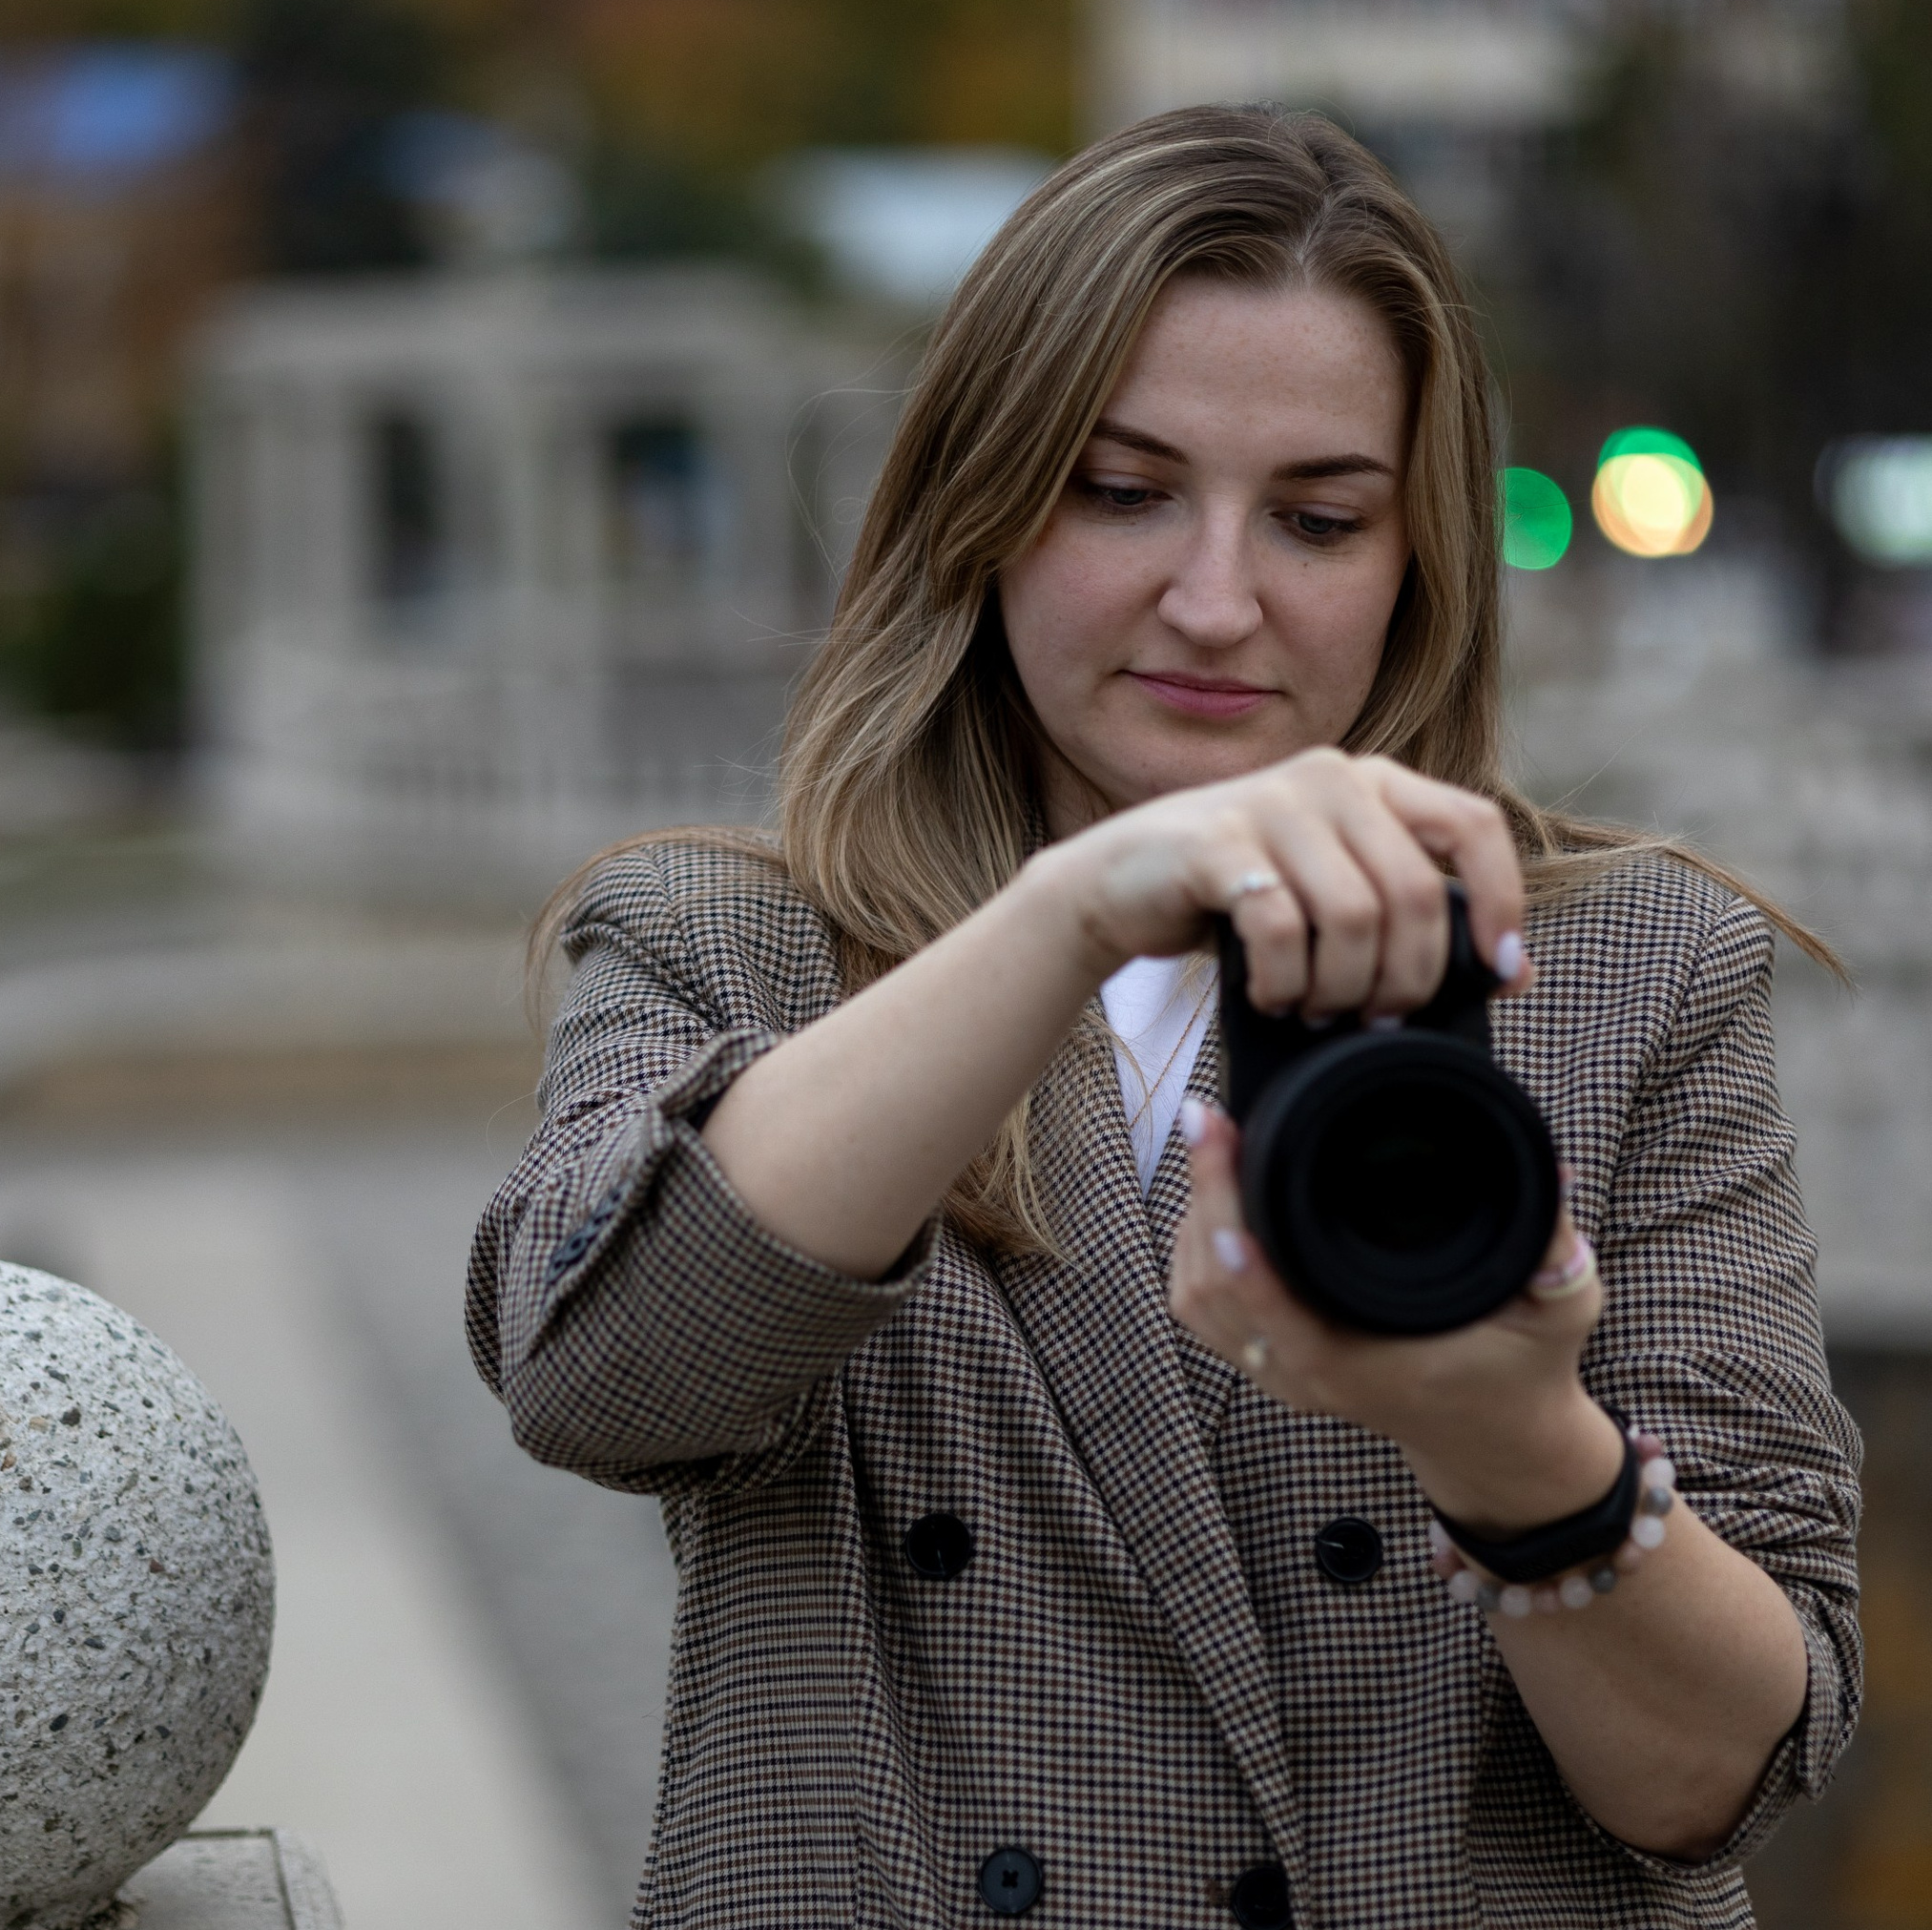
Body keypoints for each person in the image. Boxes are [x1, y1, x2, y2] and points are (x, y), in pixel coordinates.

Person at [467, 105, 1859, 1929]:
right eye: (1120, 492)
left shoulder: (1612, 968)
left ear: (1417, 556)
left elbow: (1721, 1776)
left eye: (1317, 517)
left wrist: (1514, 1442)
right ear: (977, 503)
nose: (1215, 603)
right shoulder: (730, 944)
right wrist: (1069, 911)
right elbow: (603, 1377)